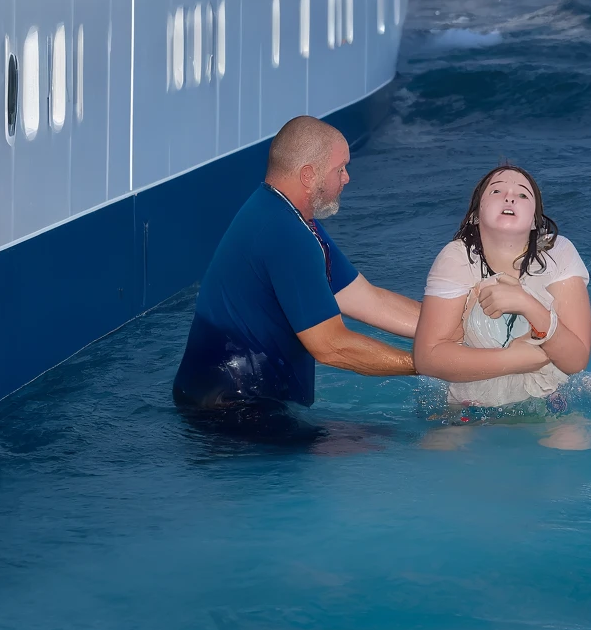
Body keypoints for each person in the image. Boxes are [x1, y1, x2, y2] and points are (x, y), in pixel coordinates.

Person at [172, 116, 422, 443]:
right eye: (340, 168)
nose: (347, 177)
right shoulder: (285, 234)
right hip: (231, 410)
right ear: (308, 175)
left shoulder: (288, 219)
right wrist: (428, 363)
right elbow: (332, 347)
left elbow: (368, 300)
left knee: (377, 439)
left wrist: (457, 327)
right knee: (391, 441)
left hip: (225, 398)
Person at [414, 165, 591, 450]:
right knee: (435, 450)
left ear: (535, 221)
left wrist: (528, 305)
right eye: (497, 191)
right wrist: (516, 359)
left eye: (522, 195)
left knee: (574, 444)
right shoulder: (456, 258)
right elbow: (428, 359)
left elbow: (576, 361)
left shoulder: (557, 254)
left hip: (547, 402)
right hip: (470, 405)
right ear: (475, 215)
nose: (510, 197)